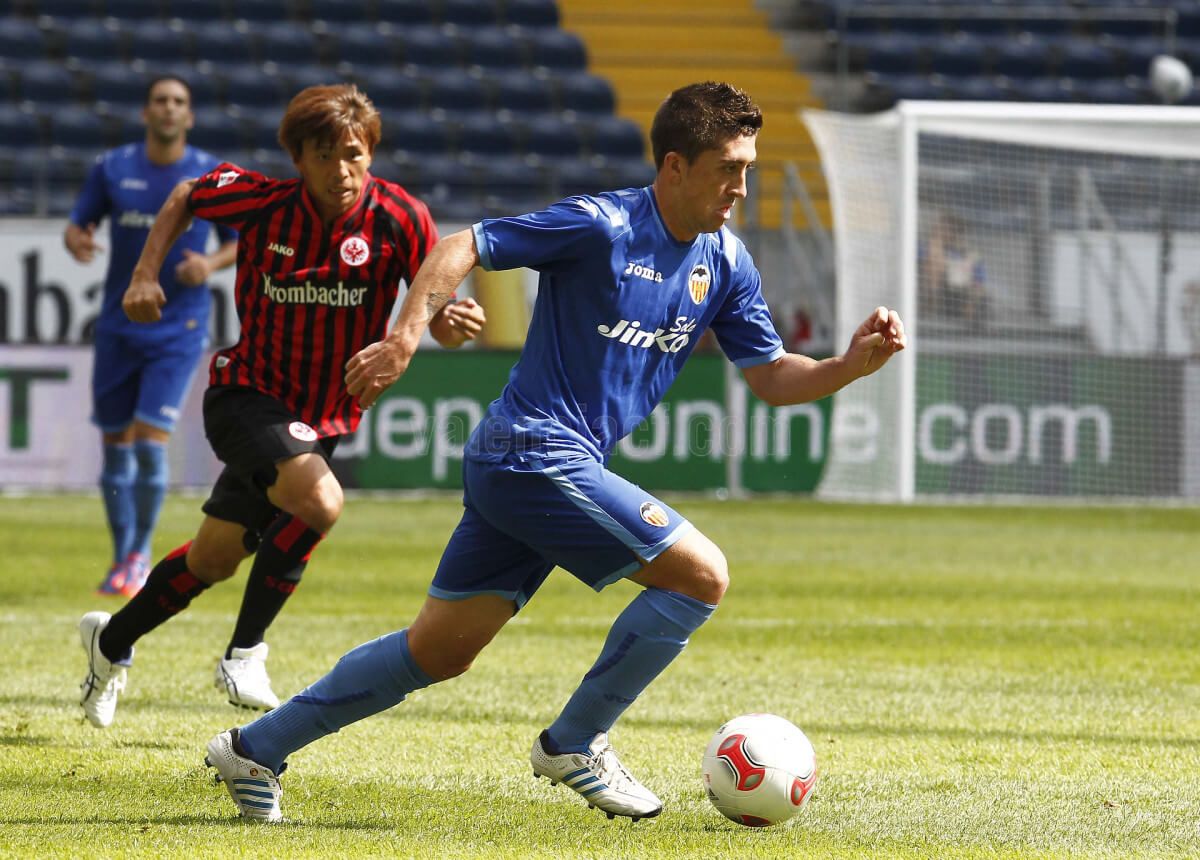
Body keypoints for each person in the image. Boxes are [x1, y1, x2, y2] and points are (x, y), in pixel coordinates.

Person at [201, 81, 906, 824]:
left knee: (437, 651)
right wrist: (406, 337)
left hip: (542, 464)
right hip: (531, 450)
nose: (741, 184)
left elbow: (769, 376)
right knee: (701, 576)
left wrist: (846, 367)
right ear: (674, 167)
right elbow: (461, 245)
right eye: (729, 166)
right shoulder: (601, 225)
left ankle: (255, 748)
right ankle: (575, 741)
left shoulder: (725, 262)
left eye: (748, 168)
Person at [76, 84, 487, 727]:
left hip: (317, 420)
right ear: (298, 158)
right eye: (325, 156)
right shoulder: (264, 202)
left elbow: (428, 303)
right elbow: (187, 194)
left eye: (354, 154)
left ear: (370, 153)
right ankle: (244, 652)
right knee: (321, 502)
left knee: (212, 558)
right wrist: (143, 272)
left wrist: (447, 323)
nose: (342, 171)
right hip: (245, 394)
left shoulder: (400, 218)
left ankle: (109, 643)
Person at [65, 75, 238, 598]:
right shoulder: (113, 167)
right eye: (160, 101)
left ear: (189, 116)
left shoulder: (208, 172)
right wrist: (78, 239)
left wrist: (207, 262)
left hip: (177, 329)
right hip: (119, 325)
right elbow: (78, 225)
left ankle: (139, 557)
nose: (168, 109)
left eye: (178, 102)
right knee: (114, 445)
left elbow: (238, 242)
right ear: (146, 113)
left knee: (147, 443)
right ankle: (121, 557)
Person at [920, 212, 988, 327]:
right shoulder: (924, 248)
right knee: (933, 266)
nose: (941, 232)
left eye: (947, 229)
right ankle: (930, 307)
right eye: (940, 228)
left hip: (962, 295)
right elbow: (925, 266)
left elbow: (980, 282)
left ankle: (970, 318)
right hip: (941, 293)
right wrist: (936, 243)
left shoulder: (969, 255)